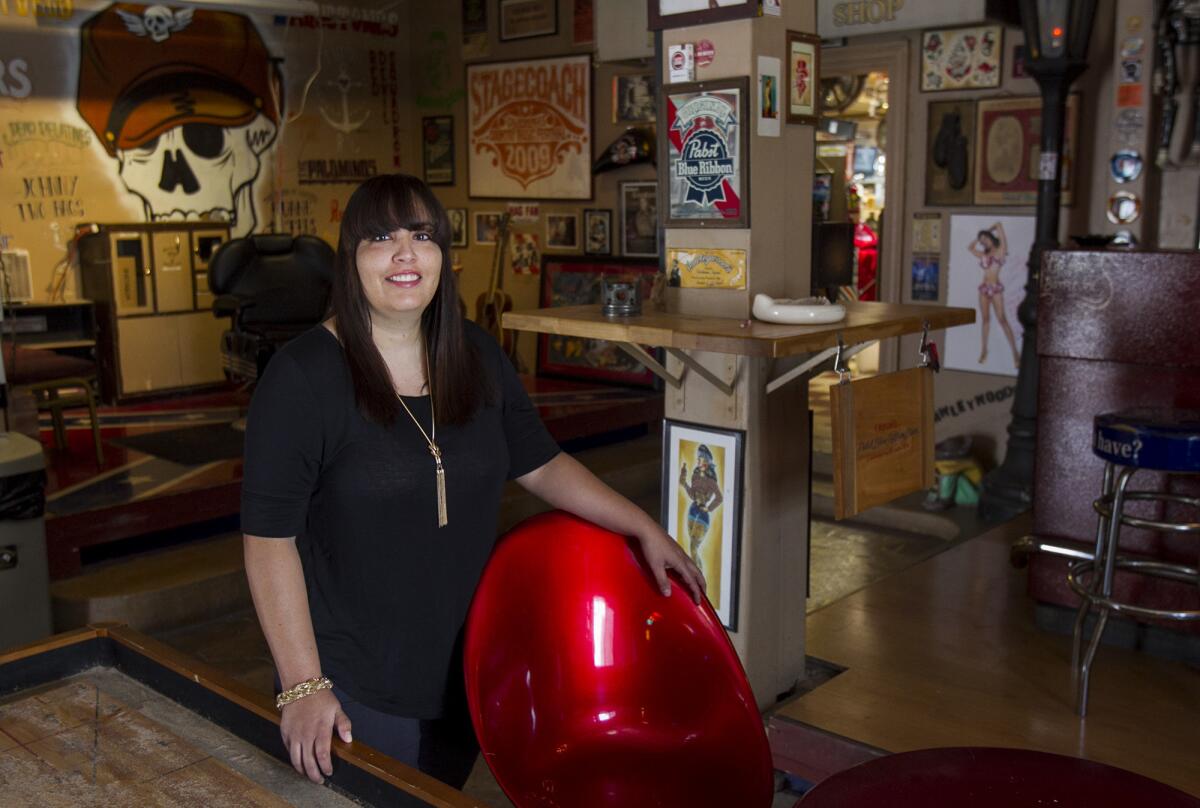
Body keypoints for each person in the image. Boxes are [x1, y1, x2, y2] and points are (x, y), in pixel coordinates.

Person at [241, 173, 704, 793]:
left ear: (442, 257)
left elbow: (541, 462)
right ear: (351, 259)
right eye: (381, 237)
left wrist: (642, 525)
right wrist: (302, 684)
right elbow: (269, 539)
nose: (405, 253)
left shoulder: (477, 356)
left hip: (465, 672)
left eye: (422, 236)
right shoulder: (302, 378)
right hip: (353, 683)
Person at [967, 222, 1020, 366]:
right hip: (984, 288)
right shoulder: (983, 253)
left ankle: (1015, 353)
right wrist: (979, 238)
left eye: (986, 239)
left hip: (995, 287)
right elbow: (970, 248)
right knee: (985, 320)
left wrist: (987, 231)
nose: (984, 242)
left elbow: (999, 225)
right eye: (983, 241)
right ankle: (984, 350)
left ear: (991, 237)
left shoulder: (1001, 250)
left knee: (1002, 319)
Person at [678, 444, 723, 581]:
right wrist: (684, 483)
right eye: (698, 458)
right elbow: (692, 495)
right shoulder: (695, 474)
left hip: (703, 515)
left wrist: (708, 508)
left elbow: (720, 498)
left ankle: (698, 577)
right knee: (691, 546)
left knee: (693, 547)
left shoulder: (711, 480)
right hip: (692, 510)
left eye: (701, 458)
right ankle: (693, 577)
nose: (698, 460)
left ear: (708, 461)